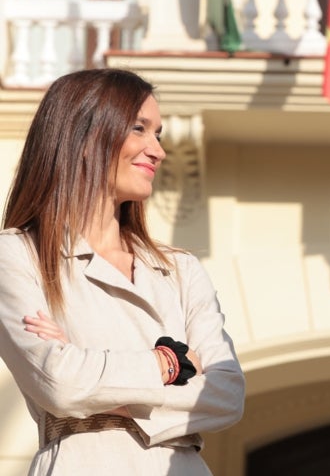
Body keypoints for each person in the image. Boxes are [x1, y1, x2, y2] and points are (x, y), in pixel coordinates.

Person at [0, 68, 244, 475]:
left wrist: (90, 373)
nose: (158, 150)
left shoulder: (180, 270)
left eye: (159, 134)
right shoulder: (16, 254)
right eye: (139, 129)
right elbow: (59, 383)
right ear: (82, 135)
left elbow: (226, 394)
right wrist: (171, 363)